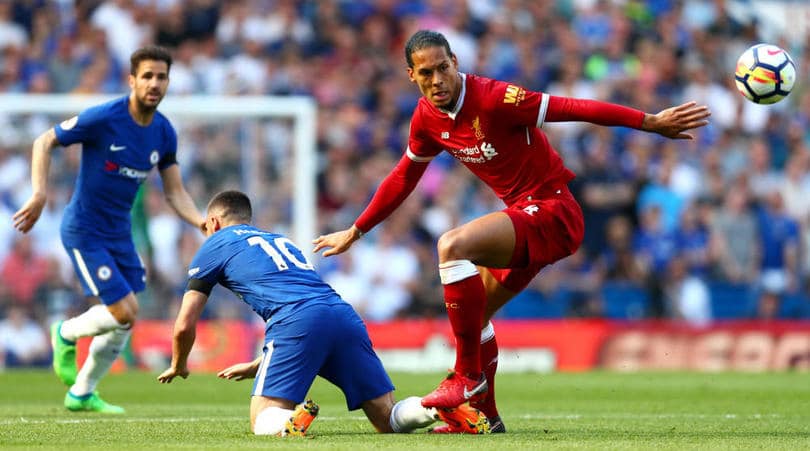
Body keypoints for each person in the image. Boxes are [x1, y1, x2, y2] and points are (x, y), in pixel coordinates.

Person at [312, 30, 711, 432]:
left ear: (456, 62)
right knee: (473, 315)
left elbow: (574, 106)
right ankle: (484, 415)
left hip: (555, 211)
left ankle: (466, 379)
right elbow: (403, 177)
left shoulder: (494, 97)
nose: (437, 80)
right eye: (426, 73)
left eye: (443, 68)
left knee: (451, 245)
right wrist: (356, 230)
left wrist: (650, 121)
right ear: (411, 75)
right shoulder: (426, 119)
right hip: (525, 216)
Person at [157, 190, 488, 436]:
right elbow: (306, 308)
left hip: (296, 322)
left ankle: (291, 418)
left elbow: (185, 323)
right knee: (387, 419)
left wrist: (178, 363)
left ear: (213, 222)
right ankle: (436, 408)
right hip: (341, 314)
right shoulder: (278, 239)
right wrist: (261, 362)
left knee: (262, 419)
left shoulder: (214, 242)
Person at [12, 45, 205, 413]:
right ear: (132, 80)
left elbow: (175, 192)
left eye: (161, 76)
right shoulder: (105, 118)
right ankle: (64, 333)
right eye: (147, 75)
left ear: (168, 82)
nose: (154, 83)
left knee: (127, 319)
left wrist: (200, 222)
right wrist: (39, 193)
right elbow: (44, 140)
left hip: (120, 235)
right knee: (124, 311)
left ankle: (82, 392)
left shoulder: (164, 133)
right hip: (85, 230)